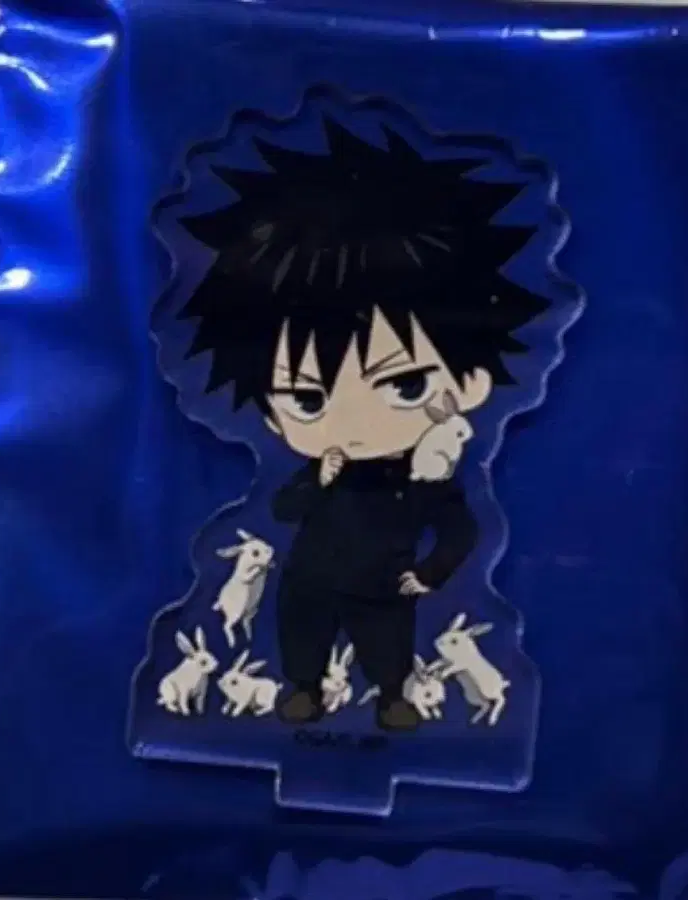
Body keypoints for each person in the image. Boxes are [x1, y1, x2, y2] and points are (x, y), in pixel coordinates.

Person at [178, 115, 549, 731]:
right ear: (270, 410)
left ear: (471, 384)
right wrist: (318, 479)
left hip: (383, 583)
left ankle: (392, 697)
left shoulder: (428, 476)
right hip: (311, 577)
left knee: (387, 644)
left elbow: (458, 528)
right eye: (307, 399)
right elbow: (285, 510)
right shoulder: (321, 468)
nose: (353, 423)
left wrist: (430, 574)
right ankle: (303, 690)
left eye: (405, 385)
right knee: (303, 633)